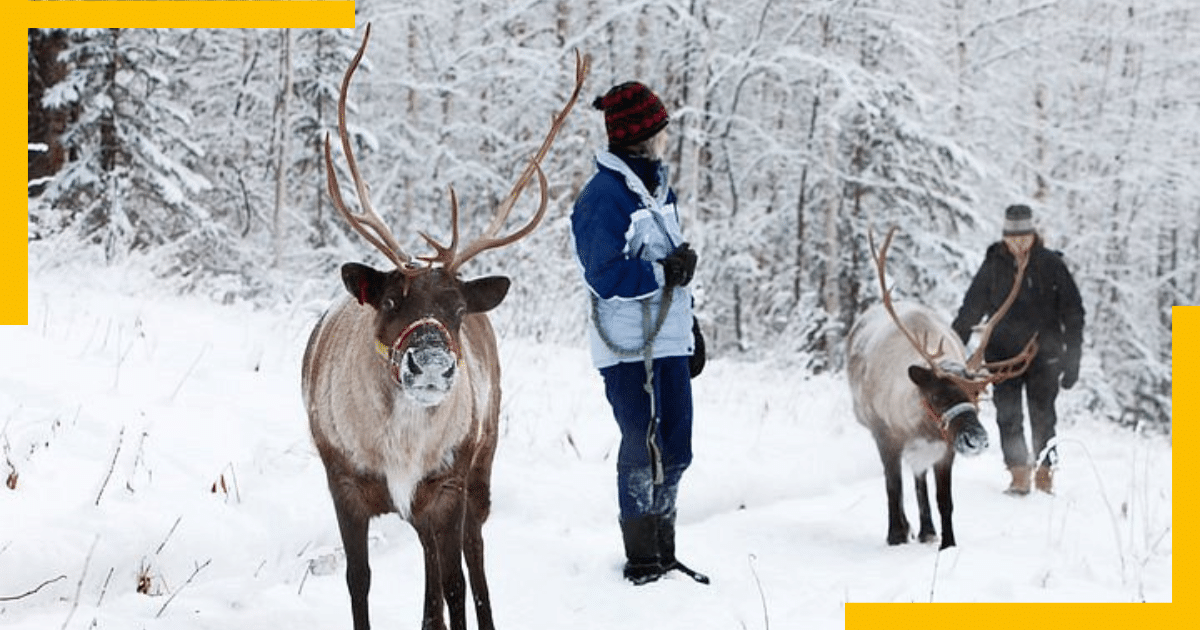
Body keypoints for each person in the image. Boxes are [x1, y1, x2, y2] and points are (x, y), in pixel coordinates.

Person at [571, 81, 707, 585]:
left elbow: (665, 259)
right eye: (660, 128)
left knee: (677, 445)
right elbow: (604, 274)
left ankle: (665, 549)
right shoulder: (601, 199)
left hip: (665, 340)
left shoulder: (655, 187)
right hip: (627, 347)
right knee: (641, 440)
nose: (667, 136)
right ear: (642, 135)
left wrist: (689, 327)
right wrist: (663, 273)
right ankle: (641, 558)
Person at [952, 204, 1085, 495]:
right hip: (1002, 358)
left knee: (1043, 417)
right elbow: (972, 307)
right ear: (1005, 237)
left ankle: (1045, 473)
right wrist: (954, 340)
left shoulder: (1051, 264)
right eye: (1012, 238)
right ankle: (1018, 474)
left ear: (1032, 234)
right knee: (1008, 416)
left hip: (1045, 357)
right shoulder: (994, 264)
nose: (1018, 244)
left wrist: (1073, 359)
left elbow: (1073, 313)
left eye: (1023, 237)